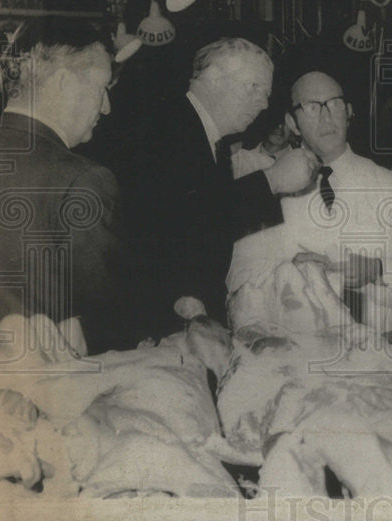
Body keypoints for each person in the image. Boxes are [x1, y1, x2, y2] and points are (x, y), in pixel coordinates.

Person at [108, 37, 319, 340]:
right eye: (254, 88)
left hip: (184, 318)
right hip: (157, 322)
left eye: (267, 93)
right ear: (214, 77)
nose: (263, 103)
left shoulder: (207, 140)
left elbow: (204, 225)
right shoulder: (167, 126)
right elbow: (177, 221)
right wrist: (270, 181)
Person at [225, 70, 392, 355]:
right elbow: (238, 276)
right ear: (293, 123)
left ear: (349, 112)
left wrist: (379, 270)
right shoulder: (269, 186)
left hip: (375, 355)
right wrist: (291, 271)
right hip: (296, 357)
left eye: (334, 104)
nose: (326, 117)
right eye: (312, 107)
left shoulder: (388, 183)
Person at [0, 20, 124, 353]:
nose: (107, 107)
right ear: (64, 83)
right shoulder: (83, 179)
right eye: (103, 87)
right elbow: (103, 324)